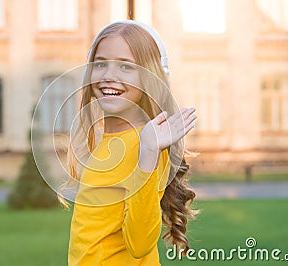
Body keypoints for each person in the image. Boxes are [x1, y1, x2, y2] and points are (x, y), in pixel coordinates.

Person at [61, 20, 197, 265]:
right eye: (100, 63)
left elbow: (140, 243)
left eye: (126, 66)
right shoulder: (112, 142)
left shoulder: (146, 143)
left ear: (149, 77)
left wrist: (148, 153)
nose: (109, 76)